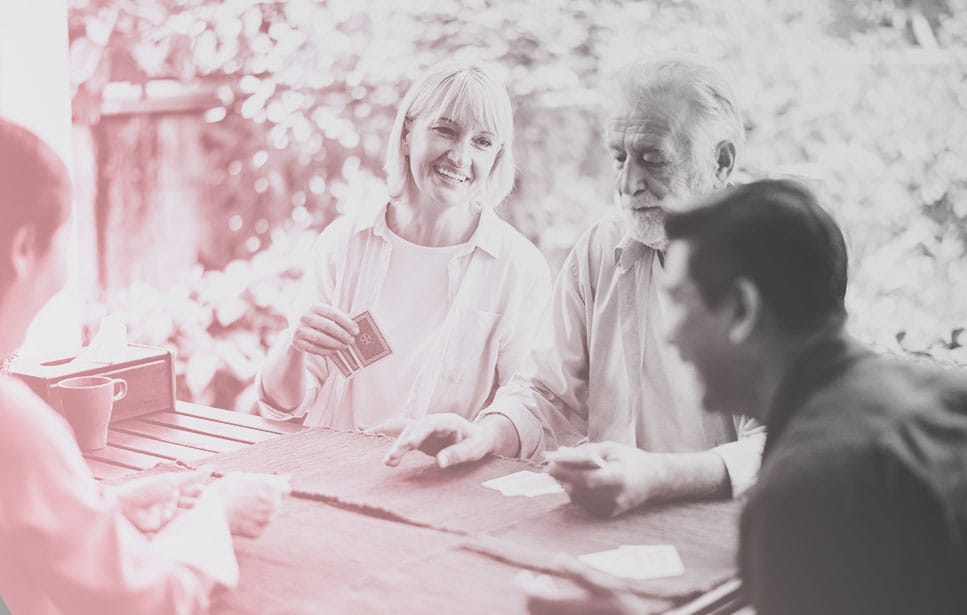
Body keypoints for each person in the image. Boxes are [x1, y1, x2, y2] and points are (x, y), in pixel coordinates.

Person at [384, 55, 765, 517]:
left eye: (653, 159)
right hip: (612, 525)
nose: (627, 184)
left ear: (721, 161)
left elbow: (781, 442)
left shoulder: (772, 261)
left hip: (724, 535)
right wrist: (484, 433)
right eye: (620, 158)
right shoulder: (602, 250)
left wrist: (658, 477)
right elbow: (547, 394)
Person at [0, 117, 285, 614]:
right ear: (25, 249)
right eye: (65, 243)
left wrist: (105, 513)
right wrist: (214, 514)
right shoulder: (14, 423)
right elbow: (148, 602)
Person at [660, 179, 967, 614]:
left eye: (677, 302)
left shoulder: (803, 494)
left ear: (743, 309)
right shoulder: (951, 398)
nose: (667, 334)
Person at [258, 60, 551, 430]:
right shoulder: (343, 243)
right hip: (332, 467)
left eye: (482, 142)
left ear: (496, 157)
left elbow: (526, 406)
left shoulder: (519, 266)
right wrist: (294, 345)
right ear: (408, 133)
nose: (460, 157)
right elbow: (282, 407)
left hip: (440, 478)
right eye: (446, 130)